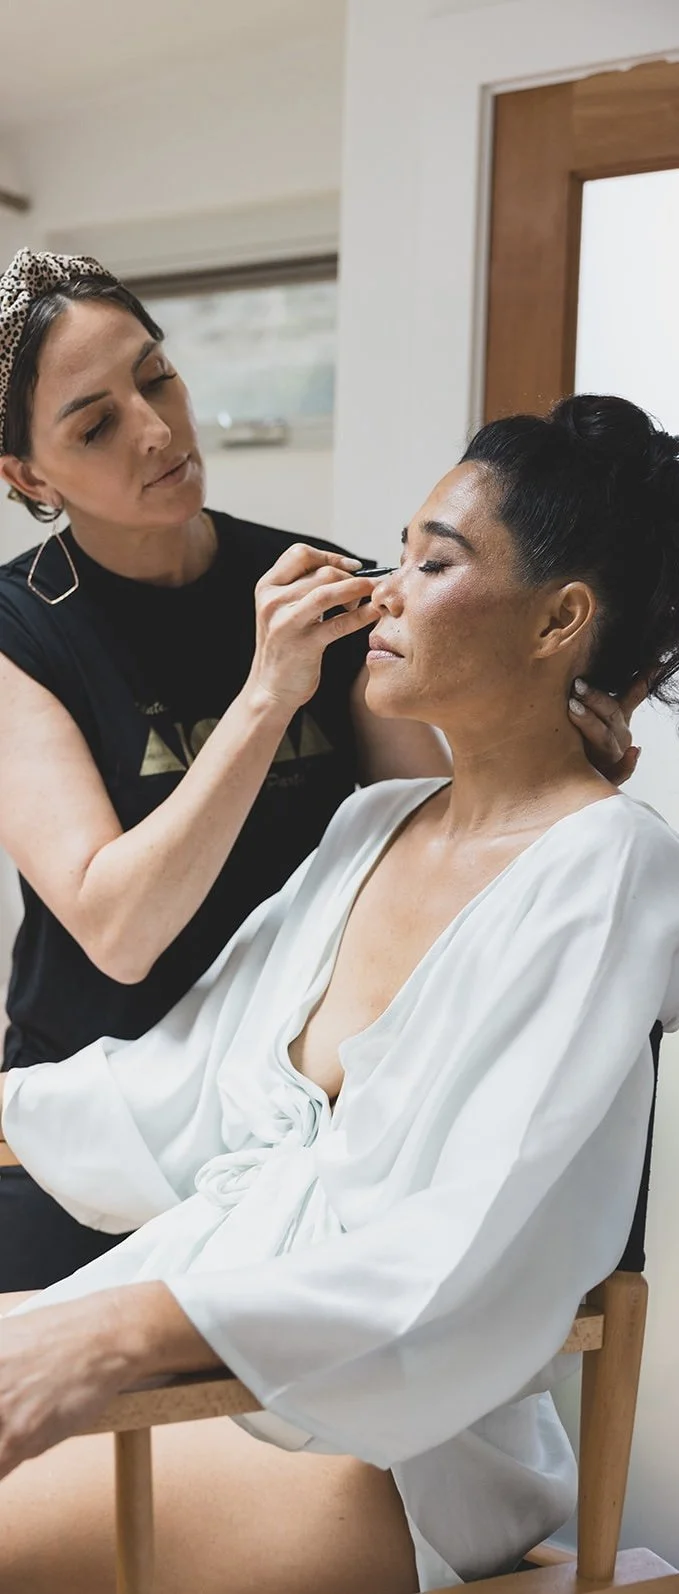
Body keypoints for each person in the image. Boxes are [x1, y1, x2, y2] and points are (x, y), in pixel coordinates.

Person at [1, 393, 678, 1594]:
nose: (388, 585)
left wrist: (105, 1333)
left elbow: (465, 1246)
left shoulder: (608, 865)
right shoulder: (370, 825)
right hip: (215, 1372)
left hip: (391, 1443)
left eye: (435, 559)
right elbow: (175, 1080)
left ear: (560, 618)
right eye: (396, 548)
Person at [0, 247, 452, 1290]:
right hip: (86, 1121)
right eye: (94, 423)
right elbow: (117, 928)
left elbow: (419, 839)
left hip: (288, 1116)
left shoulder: (307, 580)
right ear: (28, 477)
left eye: (155, 376)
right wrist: (265, 696)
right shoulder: (22, 631)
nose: (157, 429)